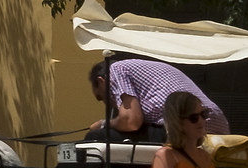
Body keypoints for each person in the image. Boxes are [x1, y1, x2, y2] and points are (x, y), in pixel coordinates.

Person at [88, 56, 228, 141]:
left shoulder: (115, 70)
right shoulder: (138, 69)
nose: (106, 103)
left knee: (95, 138)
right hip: (216, 123)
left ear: (101, 81)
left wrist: (103, 124)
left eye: (100, 97)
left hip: (186, 124)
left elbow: (131, 121)